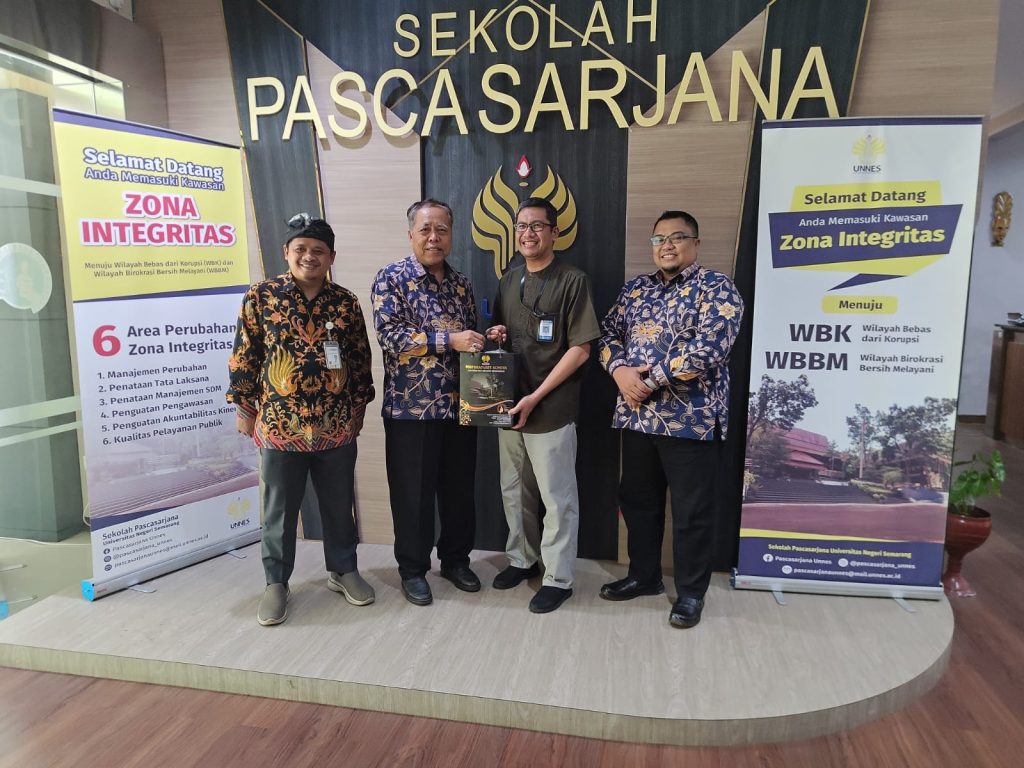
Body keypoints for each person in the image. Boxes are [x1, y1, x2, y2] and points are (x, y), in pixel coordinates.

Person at [227, 213, 376, 626]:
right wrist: (244, 408)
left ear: (331, 257)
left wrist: (358, 408)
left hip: (335, 424)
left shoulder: (345, 302)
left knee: (338, 505)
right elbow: (244, 355)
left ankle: (343, 570)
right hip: (280, 425)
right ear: (286, 252)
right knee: (279, 511)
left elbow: (359, 357)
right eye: (301, 249)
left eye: (319, 250)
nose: (310, 256)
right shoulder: (261, 296)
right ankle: (276, 582)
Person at [598, 210, 743, 629]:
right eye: (659, 238)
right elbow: (607, 335)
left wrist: (650, 379)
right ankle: (644, 576)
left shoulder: (716, 287)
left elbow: (711, 347)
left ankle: (691, 593)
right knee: (638, 504)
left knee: (691, 511)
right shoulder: (635, 290)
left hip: (691, 420)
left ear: (695, 243)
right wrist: (620, 371)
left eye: (677, 237)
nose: (667, 245)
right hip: (637, 418)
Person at [485, 197, 600, 614]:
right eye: (521, 226)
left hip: (550, 407)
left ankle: (558, 577)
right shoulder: (509, 279)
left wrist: (536, 397)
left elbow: (582, 349)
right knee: (514, 490)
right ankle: (522, 559)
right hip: (509, 405)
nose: (528, 233)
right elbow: (501, 335)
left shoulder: (573, 281)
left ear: (555, 232)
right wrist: (496, 335)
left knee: (556, 498)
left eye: (537, 225)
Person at [371, 199, 485, 606]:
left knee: (459, 492)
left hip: (460, 406)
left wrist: (486, 339)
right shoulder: (391, 278)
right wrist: (450, 340)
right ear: (411, 235)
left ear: (451, 235)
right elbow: (391, 337)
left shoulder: (462, 284)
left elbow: (469, 339)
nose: (434, 237)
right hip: (411, 409)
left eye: (442, 229)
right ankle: (413, 569)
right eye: (425, 229)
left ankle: (455, 561)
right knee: (412, 495)